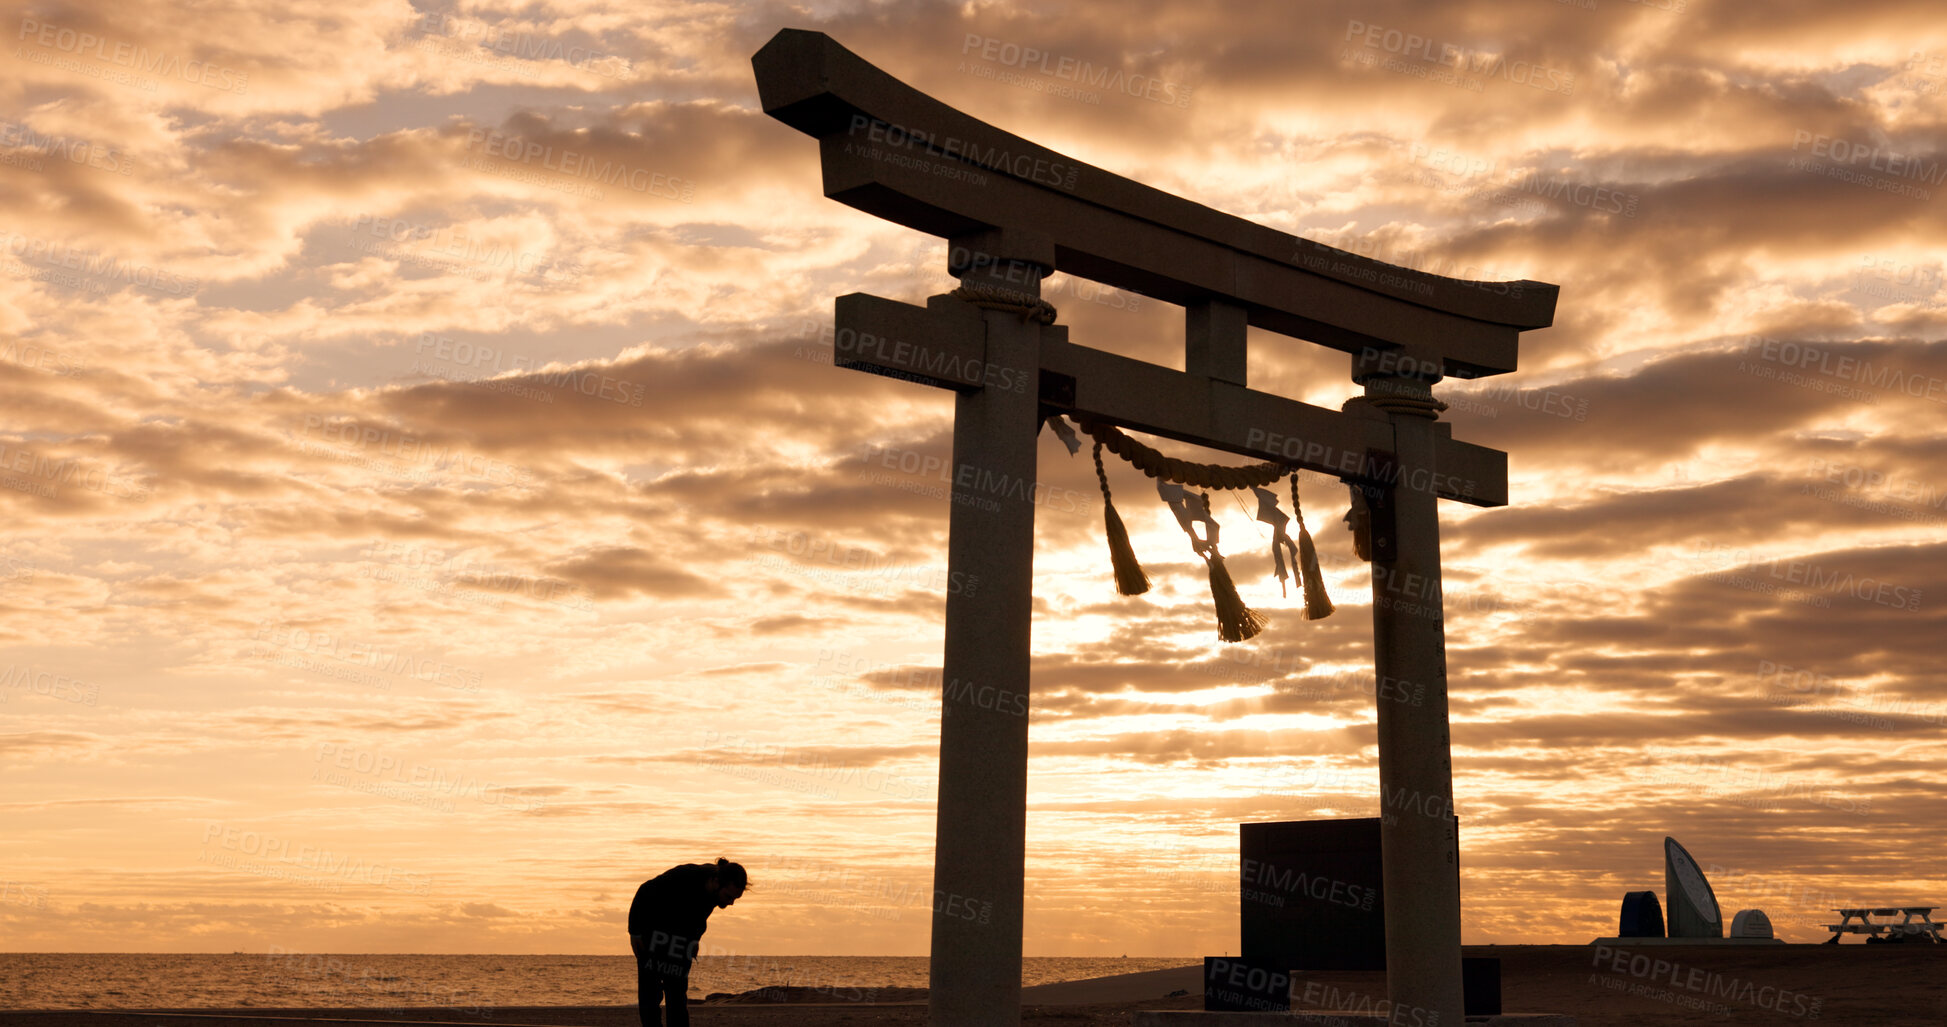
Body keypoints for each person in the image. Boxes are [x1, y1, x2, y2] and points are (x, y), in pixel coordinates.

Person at [629, 858, 748, 1027]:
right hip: (651, 935)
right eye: (729, 896)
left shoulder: (716, 892)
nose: (731, 903)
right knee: (650, 994)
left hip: (680, 941)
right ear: (715, 882)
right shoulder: (686, 876)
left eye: (735, 898)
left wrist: (694, 940)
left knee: (677, 994)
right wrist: (634, 931)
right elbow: (644, 890)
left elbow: (699, 916)